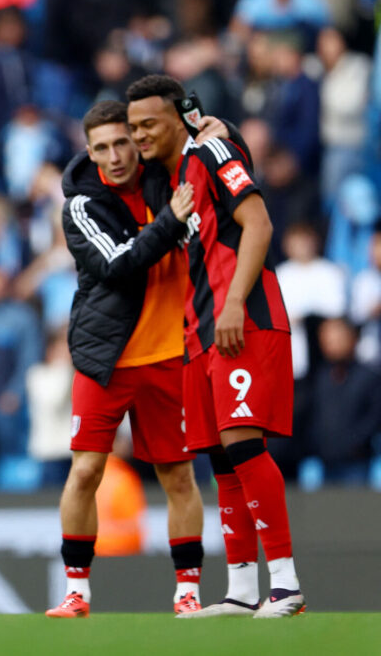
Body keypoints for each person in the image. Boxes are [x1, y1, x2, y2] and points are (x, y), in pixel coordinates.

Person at [127, 74, 304, 618]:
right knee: (222, 461)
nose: (139, 137)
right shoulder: (179, 174)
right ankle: (243, 589)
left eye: (149, 123)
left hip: (241, 320)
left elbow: (259, 223)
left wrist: (232, 304)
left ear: (182, 117)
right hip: (200, 333)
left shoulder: (209, 151)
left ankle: (287, 583)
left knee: (244, 446)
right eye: (133, 127)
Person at [48, 100, 204, 618]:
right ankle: (76, 590)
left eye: (122, 143)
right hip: (106, 359)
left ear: (136, 141)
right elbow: (119, 266)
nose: (114, 157)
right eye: (101, 148)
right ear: (88, 152)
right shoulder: (81, 205)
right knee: (87, 469)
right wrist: (169, 222)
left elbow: (206, 147)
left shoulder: (166, 177)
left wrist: (207, 122)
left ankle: (188, 591)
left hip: (168, 356)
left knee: (178, 477)